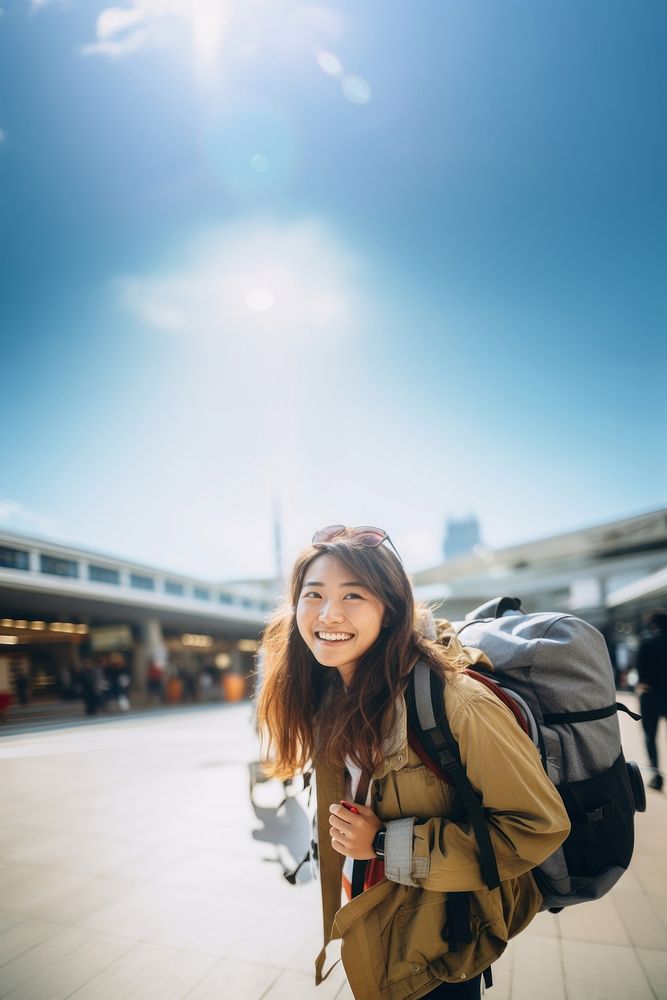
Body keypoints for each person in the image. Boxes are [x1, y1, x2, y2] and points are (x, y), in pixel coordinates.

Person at [256, 525, 570, 1000]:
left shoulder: (455, 703)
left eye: (353, 595)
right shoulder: (329, 693)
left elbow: (539, 826)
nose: (328, 613)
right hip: (374, 928)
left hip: (437, 957)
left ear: (390, 611)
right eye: (313, 594)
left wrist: (384, 841)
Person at [635, 610, 667, 791]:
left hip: (651, 695)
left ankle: (656, 775)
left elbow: (640, 672)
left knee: (650, 736)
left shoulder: (646, 642)